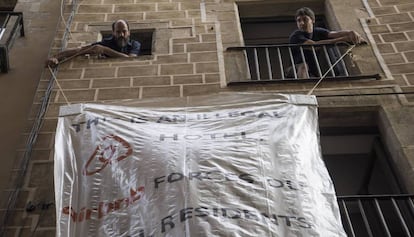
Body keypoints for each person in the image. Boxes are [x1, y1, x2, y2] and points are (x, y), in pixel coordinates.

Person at [289, 7, 366, 78]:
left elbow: (334, 34)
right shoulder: (296, 36)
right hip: (295, 70)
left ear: (312, 20)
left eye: (305, 19)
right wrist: (344, 39)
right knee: (304, 66)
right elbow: (314, 46)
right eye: (299, 20)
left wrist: (351, 32)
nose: (301, 23)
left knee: (309, 69)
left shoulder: (318, 31)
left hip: (312, 70)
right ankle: (304, 87)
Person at [46, 19, 141, 67]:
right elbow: (80, 50)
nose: (121, 34)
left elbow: (131, 59)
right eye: (118, 32)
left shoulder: (134, 44)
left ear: (129, 32)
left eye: (124, 31)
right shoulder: (106, 42)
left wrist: (105, 50)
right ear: (113, 32)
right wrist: (56, 57)